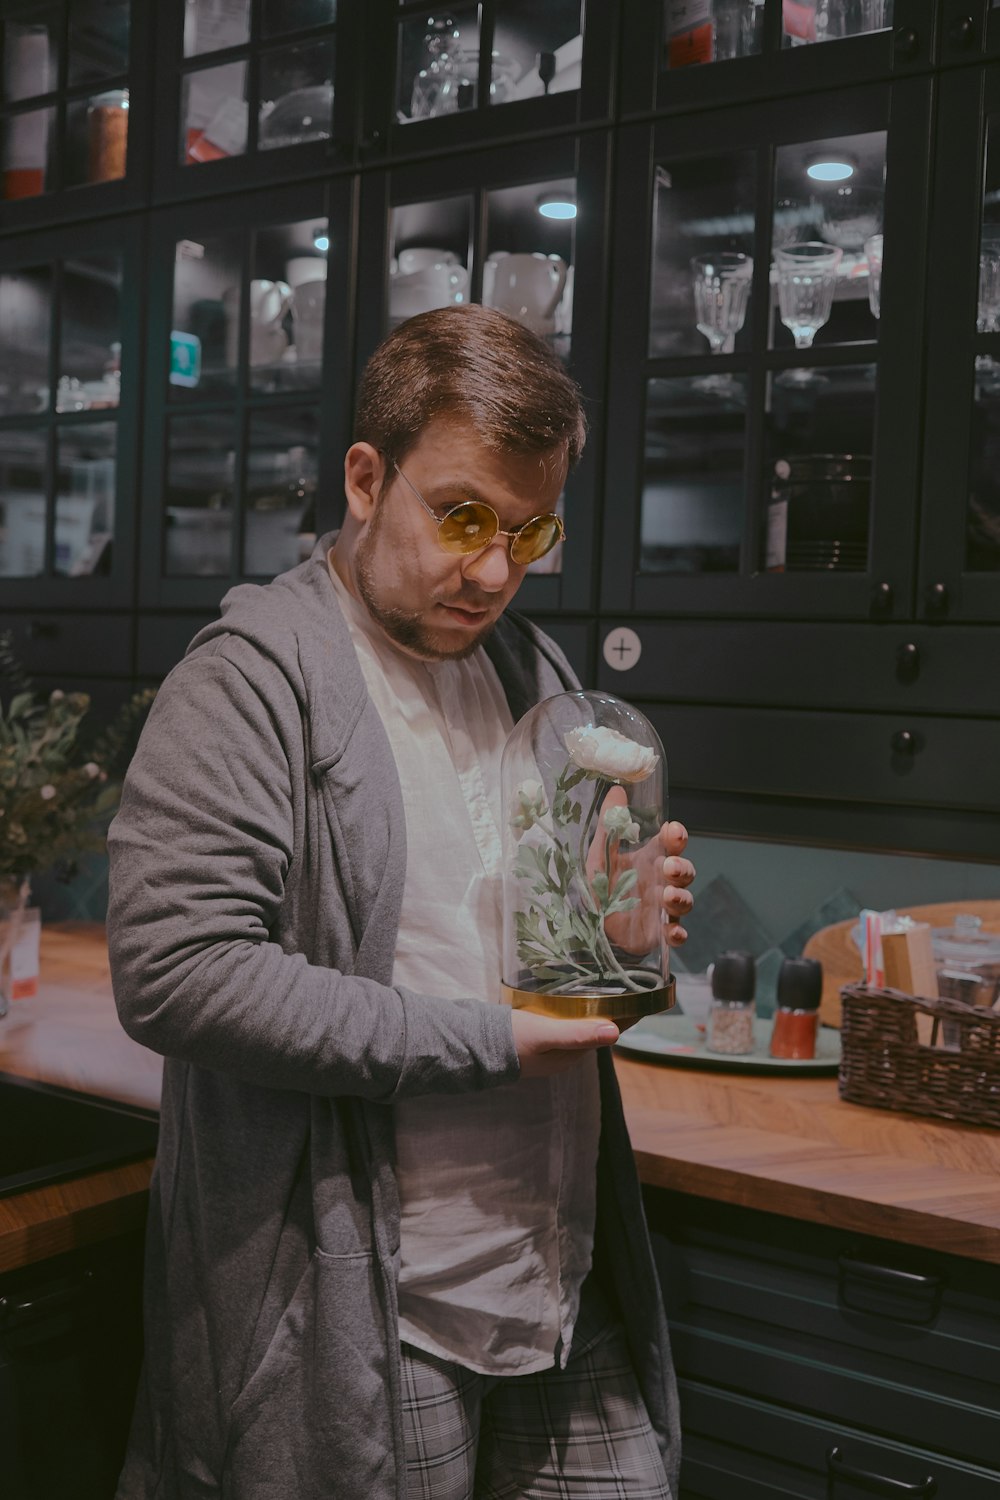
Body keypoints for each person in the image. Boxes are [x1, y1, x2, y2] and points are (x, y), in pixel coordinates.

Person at [107, 304, 696, 1500]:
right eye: (462, 516)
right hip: (374, 1309)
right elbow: (178, 972)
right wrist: (492, 1044)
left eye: (529, 532)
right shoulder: (249, 684)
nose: (492, 570)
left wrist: (622, 945)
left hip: (555, 1282)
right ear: (367, 479)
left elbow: (562, 968)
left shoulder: (542, 678)